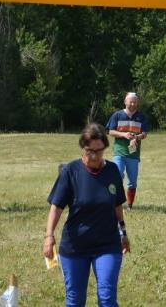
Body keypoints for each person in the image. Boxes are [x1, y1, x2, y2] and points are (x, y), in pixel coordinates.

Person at [43, 123, 130, 307]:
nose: (94, 156)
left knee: (107, 299)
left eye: (99, 151)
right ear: (83, 147)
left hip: (107, 245)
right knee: (75, 301)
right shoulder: (71, 171)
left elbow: (117, 205)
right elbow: (56, 206)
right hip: (75, 247)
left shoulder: (113, 171)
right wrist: (49, 236)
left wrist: (123, 232)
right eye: (90, 151)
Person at [106, 92, 149, 209]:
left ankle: (129, 206)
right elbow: (110, 131)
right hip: (119, 152)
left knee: (132, 181)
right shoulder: (117, 115)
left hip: (133, 153)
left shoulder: (141, 117)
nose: (133, 104)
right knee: (117, 176)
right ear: (125, 102)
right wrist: (124, 135)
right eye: (131, 101)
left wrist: (137, 137)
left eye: (135, 102)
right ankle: (115, 203)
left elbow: (144, 133)